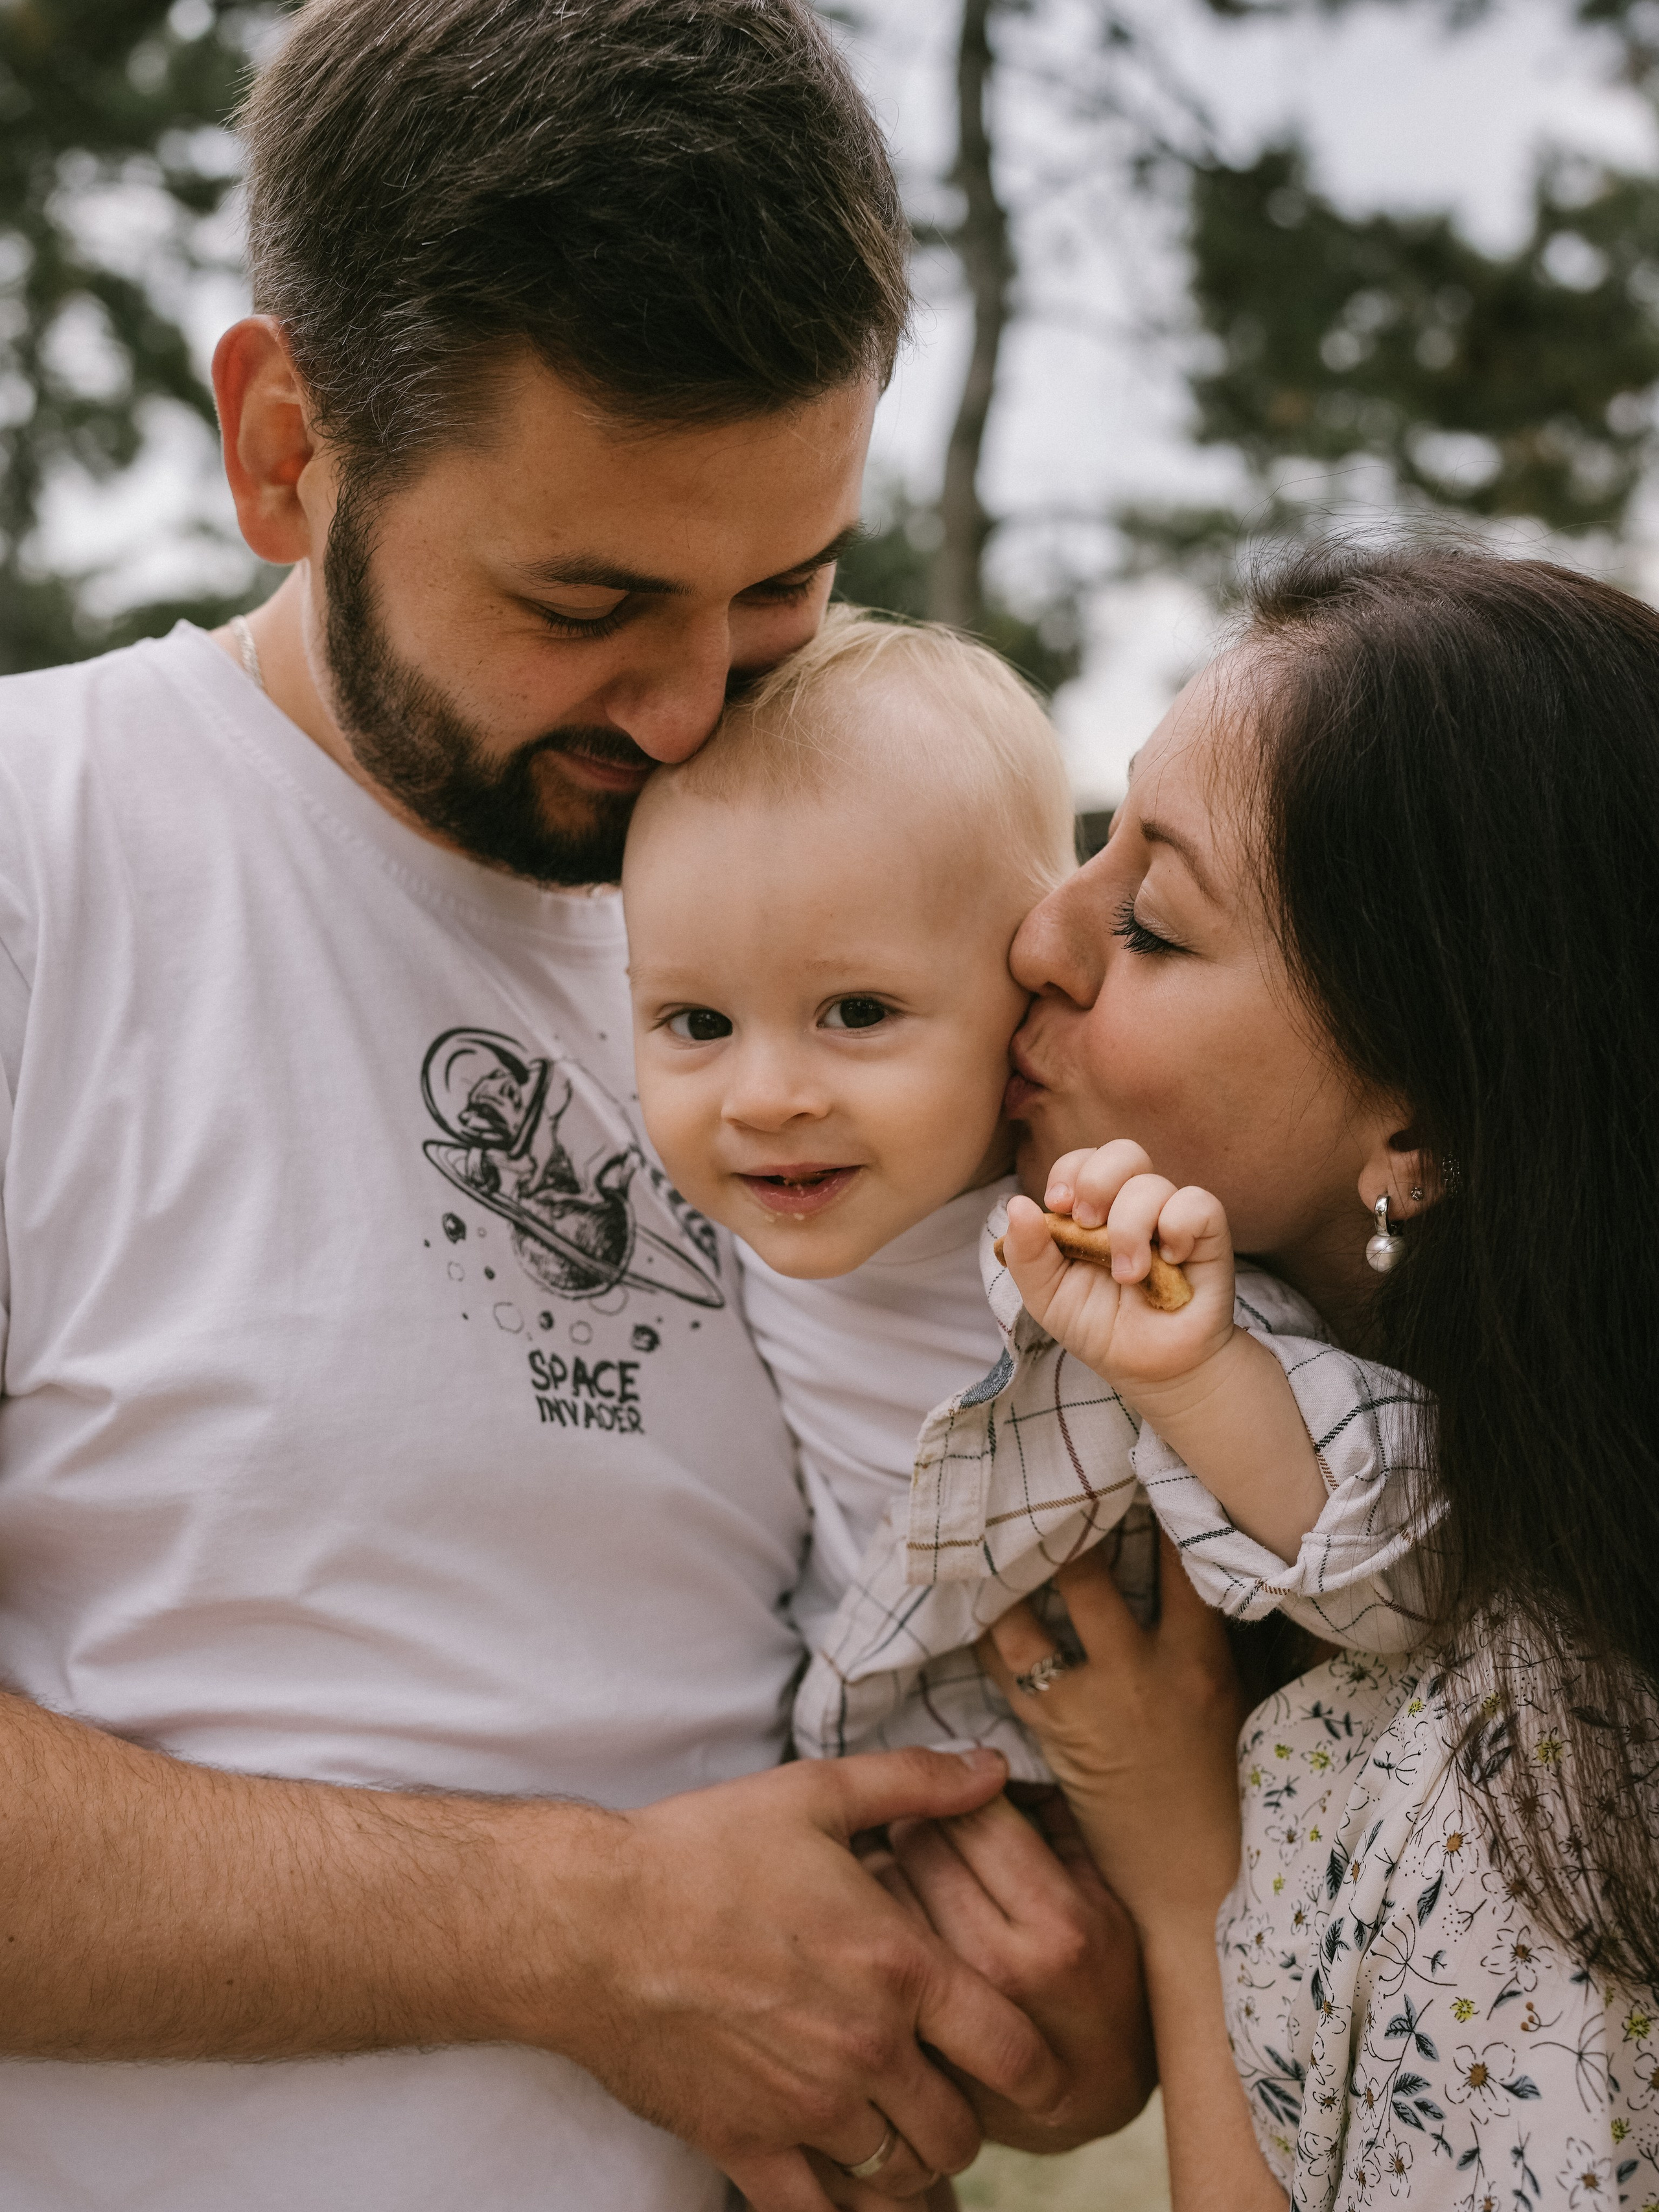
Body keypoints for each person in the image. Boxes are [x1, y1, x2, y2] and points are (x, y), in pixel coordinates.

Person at [0, 5, 1146, 2208]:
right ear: (283, 446)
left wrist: (1059, 1977)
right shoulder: (47, 853)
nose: (693, 703)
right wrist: (575, 1931)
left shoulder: (895, 940)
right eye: (585, 599)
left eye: (787, 588)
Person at [969, 544, 1659, 2209]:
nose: (1040, 935)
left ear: (1413, 1130)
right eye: (1095, 841)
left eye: (1147, 920)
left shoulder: (1537, 1811)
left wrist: (1180, 1865)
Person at [623, 607, 1428, 1786]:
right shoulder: (692, 1204)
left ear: (1016, 999)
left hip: (1100, 1802)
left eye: (857, 1014)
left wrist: (1196, 1378)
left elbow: (1404, 1562)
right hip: (856, 1788)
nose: (765, 1096)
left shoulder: (1100, 1242)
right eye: (697, 1023)